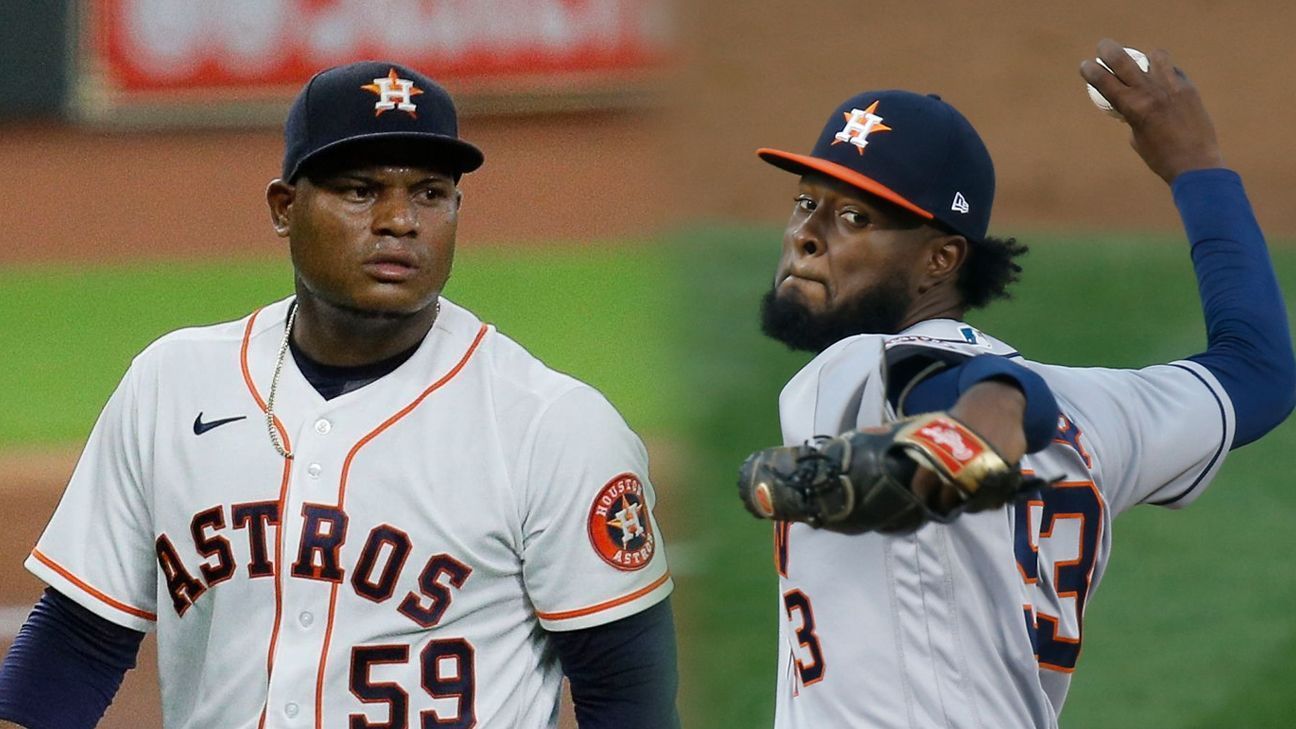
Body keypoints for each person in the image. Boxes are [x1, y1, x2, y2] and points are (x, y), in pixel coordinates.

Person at [0, 61, 679, 729]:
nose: (399, 220)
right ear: (284, 207)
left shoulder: (552, 426)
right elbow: (78, 640)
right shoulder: (171, 385)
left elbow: (628, 694)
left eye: (430, 193)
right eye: (360, 191)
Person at [736, 39, 1294, 727]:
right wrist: (1198, 168)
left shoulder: (854, 370)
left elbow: (958, 386)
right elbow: (1258, 371)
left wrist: (991, 410)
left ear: (940, 258)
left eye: (855, 217)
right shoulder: (1096, 413)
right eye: (805, 203)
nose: (807, 235)